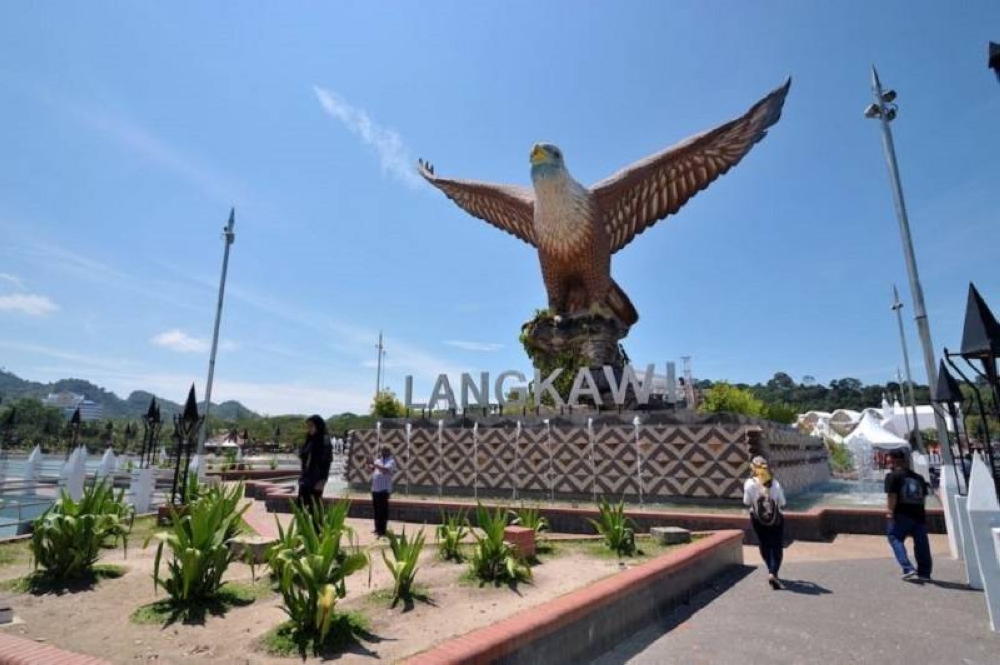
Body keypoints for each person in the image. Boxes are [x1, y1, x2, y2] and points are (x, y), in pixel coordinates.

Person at [884, 449, 932, 581]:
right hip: (919, 515)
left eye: (888, 460)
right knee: (921, 543)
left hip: (901, 515)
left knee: (894, 537)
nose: (887, 463)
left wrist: (890, 512)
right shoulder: (919, 478)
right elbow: (923, 498)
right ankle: (924, 572)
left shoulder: (892, 476)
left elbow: (892, 495)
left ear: (894, 460)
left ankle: (907, 567)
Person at [743, 455, 787, 590]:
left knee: (764, 543)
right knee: (776, 545)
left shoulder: (749, 484)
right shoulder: (775, 483)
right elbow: (783, 503)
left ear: (753, 468)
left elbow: (746, 502)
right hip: (776, 519)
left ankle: (770, 570)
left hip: (757, 519)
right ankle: (773, 572)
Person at [298, 415, 333, 510]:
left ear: (318, 426)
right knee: (301, 508)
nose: (309, 428)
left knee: (315, 510)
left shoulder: (324, 440)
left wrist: (323, 480)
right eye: (308, 426)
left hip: (316, 479)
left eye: (311, 426)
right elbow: (304, 457)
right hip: (305, 479)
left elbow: (327, 461)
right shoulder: (310, 440)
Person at [367, 446, 395, 538]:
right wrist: (368, 464)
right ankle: (377, 528)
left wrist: (375, 465)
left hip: (384, 490)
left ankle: (382, 530)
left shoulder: (391, 461)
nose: (383, 452)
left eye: (385, 450)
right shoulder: (378, 460)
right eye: (382, 450)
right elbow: (371, 470)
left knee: (383, 511)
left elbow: (385, 470)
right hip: (375, 489)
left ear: (389, 452)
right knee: (376, 510)